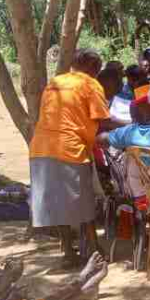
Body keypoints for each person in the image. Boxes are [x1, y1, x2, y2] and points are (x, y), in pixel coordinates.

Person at [28, 48, 119, 266]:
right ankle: (93, 250)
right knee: (84, 202)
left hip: (41, 149)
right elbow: (104, 121)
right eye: (97, 69)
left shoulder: (55, 82)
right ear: (92, 67)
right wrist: (134, 123)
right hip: (70, 149)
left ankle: (68, 252)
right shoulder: (90, 84)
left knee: (58, 204)